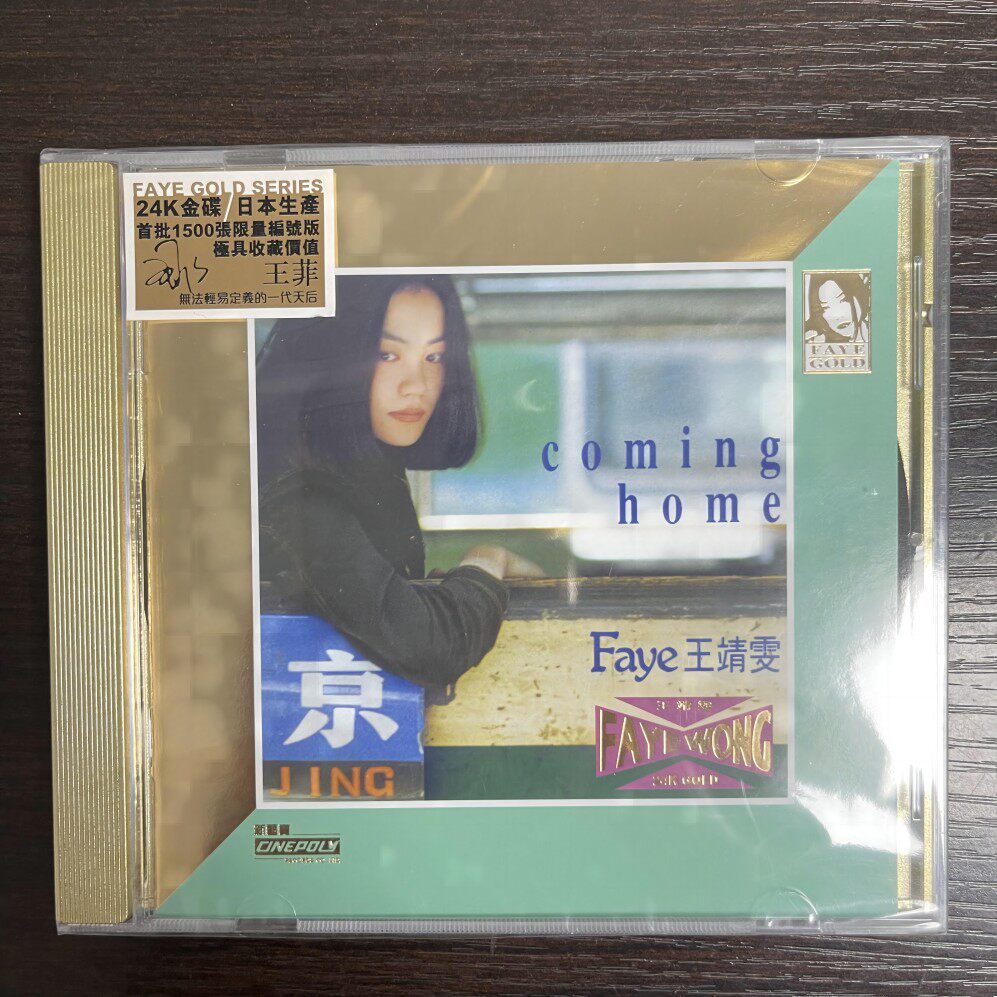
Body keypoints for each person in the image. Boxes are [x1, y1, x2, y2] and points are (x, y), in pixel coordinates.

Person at [256, 275, 524, 691]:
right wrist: (487, 560)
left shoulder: (359, 465)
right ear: (329, 357)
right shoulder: (297, 491)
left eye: (434, 357)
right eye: (387, 354)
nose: (416, 385)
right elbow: (428, 647)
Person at [804, 272, 870, 345]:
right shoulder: (817, 340)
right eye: (825, 307)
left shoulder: (870, 331)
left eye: (843, 300)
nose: (836, 314)